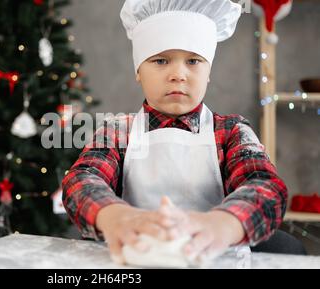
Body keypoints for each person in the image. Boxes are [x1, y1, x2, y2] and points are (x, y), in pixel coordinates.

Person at [62, 0, 303, 264]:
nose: (178, 74)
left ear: (208, 71)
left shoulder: (232, 131)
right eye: (161, 60)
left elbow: (266, 187)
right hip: (134, 259)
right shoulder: (118, 131)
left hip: (216, 259)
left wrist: (221, 224)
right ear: (138, 71)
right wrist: (115, 217)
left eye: (193, 61)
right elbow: (81, 180)